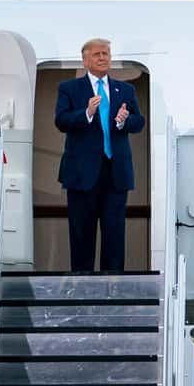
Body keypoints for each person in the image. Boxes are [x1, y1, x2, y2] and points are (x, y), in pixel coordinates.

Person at [55, 38, 145, 272]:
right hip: (81, 175)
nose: (103, 58)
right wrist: (86, 112)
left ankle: (114, 289)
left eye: (106, 53)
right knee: (82, 235)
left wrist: (123, 121)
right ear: (85, 60)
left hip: (115, 173)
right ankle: (82, 289)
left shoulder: (125, 89)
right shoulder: (69, 88)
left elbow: (138, 122)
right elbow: (61, 121)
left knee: (114, 235)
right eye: (97, 54)